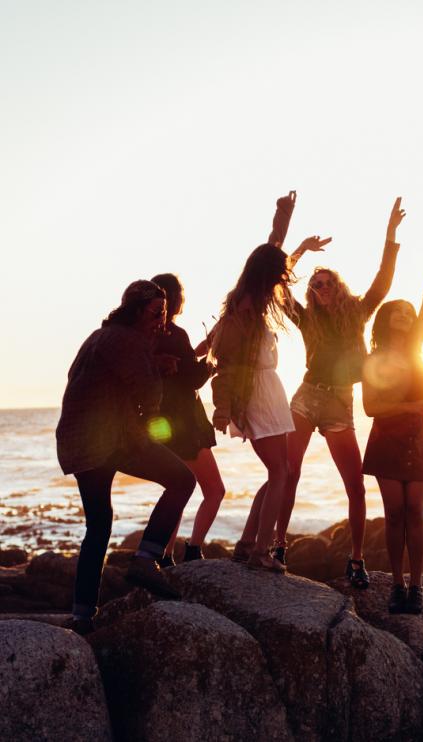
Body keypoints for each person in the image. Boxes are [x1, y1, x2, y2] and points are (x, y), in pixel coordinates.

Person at [274, 198, 406, 589]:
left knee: (355, 485)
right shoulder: (305, 319)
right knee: (289, 472)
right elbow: (280, 288)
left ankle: (356, 560)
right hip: (306, 397)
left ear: (338, 286)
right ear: (312, 292)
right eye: (316, 285)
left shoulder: (359, 313)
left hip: (339, 404)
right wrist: (298, 251)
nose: (322, 288)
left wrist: (390, 235)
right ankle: (278, 546)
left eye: (328, 282)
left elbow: (383, 279)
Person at [56, 280, 197, 634]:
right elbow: (148, 395)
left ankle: (83, 614)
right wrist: (157, 375)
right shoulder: (129, 340)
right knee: (182, 480)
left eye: (163, 314)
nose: (161, 321)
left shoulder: (101, 336)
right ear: (136, 311)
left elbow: (99, 376)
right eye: (155, 313)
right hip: (109, 439)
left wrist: (152, 361)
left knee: (99, 525)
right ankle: (147, 558)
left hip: (77, 441)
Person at [209, 193, 299, 572]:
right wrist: (224, 407)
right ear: (266, 274)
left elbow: (273, 247)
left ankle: (248, 544)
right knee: (281, 472)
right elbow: (226, 357)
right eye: (278, 272)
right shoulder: (247, 303)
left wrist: (284, 214)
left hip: (268, 391)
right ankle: (260, 551)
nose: (284, 276)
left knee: (281, 471)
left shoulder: (252, 297)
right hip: (257, 394)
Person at [361, 233, 423, 613]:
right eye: (400, 313)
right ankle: (396, 584)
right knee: (395, 512)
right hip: (387, 439)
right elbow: (370, 408)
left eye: (409, 315)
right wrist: (411, 406)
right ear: (386, 320)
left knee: (416, 511)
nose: (407, 317)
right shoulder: (373, 359)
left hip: (417, 438)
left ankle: (417, 586)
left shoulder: (415, 349)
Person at [150, 273, 224, 566]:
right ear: (173, 298)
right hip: (186, 424)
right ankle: (193, 549)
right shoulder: (175, 334)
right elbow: (192, 378)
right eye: (180, 292)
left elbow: (181, 368)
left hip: (164, 424)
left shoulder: (149, 336)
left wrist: (207, 346)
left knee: (178, 489)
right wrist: (212, 365)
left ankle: (165, 555)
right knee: (215, 490)